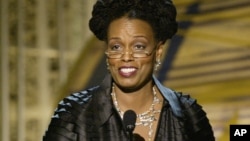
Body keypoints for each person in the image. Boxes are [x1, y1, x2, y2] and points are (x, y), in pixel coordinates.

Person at [43, 0, 215, 141]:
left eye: (139, 46)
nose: (126, 57)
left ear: (158, 51)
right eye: (116, 46)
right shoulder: (74, 114)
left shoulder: (188, 114)